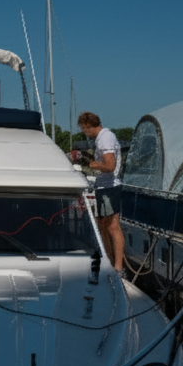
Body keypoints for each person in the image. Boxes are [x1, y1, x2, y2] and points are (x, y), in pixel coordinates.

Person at [76, 111, 124, 276]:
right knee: (103, 225)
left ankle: (117, 267)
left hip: (109, 187)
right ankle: (110, 263)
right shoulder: (103, 138)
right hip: (104, 187)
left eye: (84, 129)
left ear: (88, 126)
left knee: (113, 227)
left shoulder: (105, 138)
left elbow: (110, 166)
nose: (84, 132)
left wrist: (92, 165)